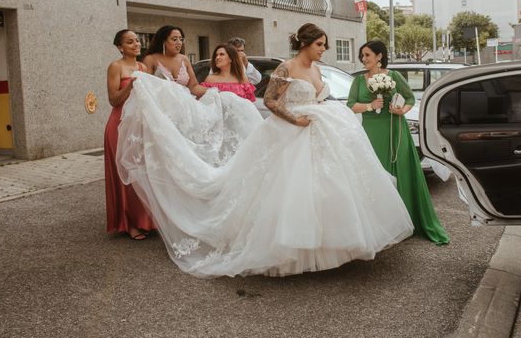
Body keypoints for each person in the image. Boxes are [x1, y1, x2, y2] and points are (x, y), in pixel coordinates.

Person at [116, 23, 414, 278]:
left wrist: (324, 112)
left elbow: (320, 97)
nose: (324, 49)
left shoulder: (317, 69)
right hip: (291, 130)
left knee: (330, 188)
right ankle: (288, 249)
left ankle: (332, 244)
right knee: (286, 191)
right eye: (320, 45)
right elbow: (271, 101)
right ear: (306, 44)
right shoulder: (287, 67)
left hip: (320, 127)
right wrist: (295, 119)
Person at [347, 39, 449, 245]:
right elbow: (351, 105)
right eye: (362, 55)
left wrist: (401, 110)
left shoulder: (393, 77)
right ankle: (381, 223)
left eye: (367, 55)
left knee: (398, 170)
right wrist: (370, 105)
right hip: (371, 131)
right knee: (376, 173)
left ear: (379, 56)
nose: (363, 59)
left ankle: (406, 219)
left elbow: (410, 99)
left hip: (395, 129)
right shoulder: (358, 81)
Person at [104, 29, 156, 240]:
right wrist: (132, 84)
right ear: (120, 46)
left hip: (138, 125)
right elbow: (113, 99)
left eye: (137, 41)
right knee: (125, 172)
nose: (136, 44)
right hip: (118, 124)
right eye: (130, 42)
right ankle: (129, 223)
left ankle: (146, 220)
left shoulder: (143, 66)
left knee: (142, 172)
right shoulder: (115, 66)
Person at [143, 25, 206, 98]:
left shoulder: (184, 59)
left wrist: (212, 91)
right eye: (174, 39)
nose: (179, 42)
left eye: (181, 39)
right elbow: (146, 87)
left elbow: (193, 87)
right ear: (164, 41)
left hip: (185, 103)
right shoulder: (150, 59)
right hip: (160, 104)